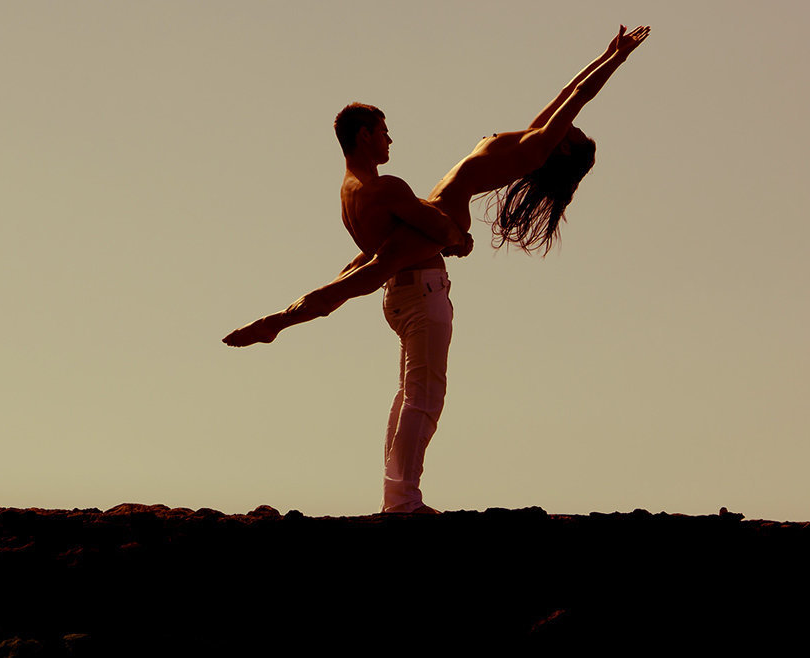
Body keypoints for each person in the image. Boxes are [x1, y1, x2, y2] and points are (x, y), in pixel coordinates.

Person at [226, 25, 650, 513]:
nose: (567, 125)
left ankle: (396, 494)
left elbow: (576, 99)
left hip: (409, 288)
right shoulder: (527, 143)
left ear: (564, 150)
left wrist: (615, 59)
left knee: (402, 371)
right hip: (421, 292)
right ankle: (401, 500)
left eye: (572, 132)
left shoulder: (532, 150)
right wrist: (609, 54)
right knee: (420, 394)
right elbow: (568, 95)